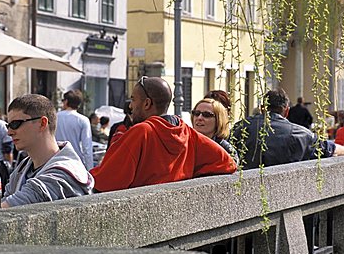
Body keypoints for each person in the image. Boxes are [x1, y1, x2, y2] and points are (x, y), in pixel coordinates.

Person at [90, 76, 236, 192]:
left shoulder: (142, 132)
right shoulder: (186, 132)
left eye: (133, 99)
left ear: (147, 103)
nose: (130, 105)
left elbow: (106, 181)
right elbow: (227, 163)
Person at [1, 94, 94, 208]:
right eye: (8, 125)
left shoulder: (61, 173)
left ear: (42, 123)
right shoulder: (23, 167)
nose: (9, 132)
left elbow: (3, 210)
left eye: (15, 124)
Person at [232, 88, 344, 170]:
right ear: (286, 111)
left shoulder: (240, 127)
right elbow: (326, 149)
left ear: (262, 108)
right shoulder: (299, 133)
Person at [191, 98, 239, 164]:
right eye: (196, 113)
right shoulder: (184, 143)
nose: (199, 118)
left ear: (218, 120)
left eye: (207, 115)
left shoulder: (226, 149)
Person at [55, 90, 93, 170]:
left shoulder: (55, 117)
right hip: (75, 162)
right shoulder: (83, 120)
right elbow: (87, 148)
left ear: (66, 101)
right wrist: (90, 169)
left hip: (55, 160)